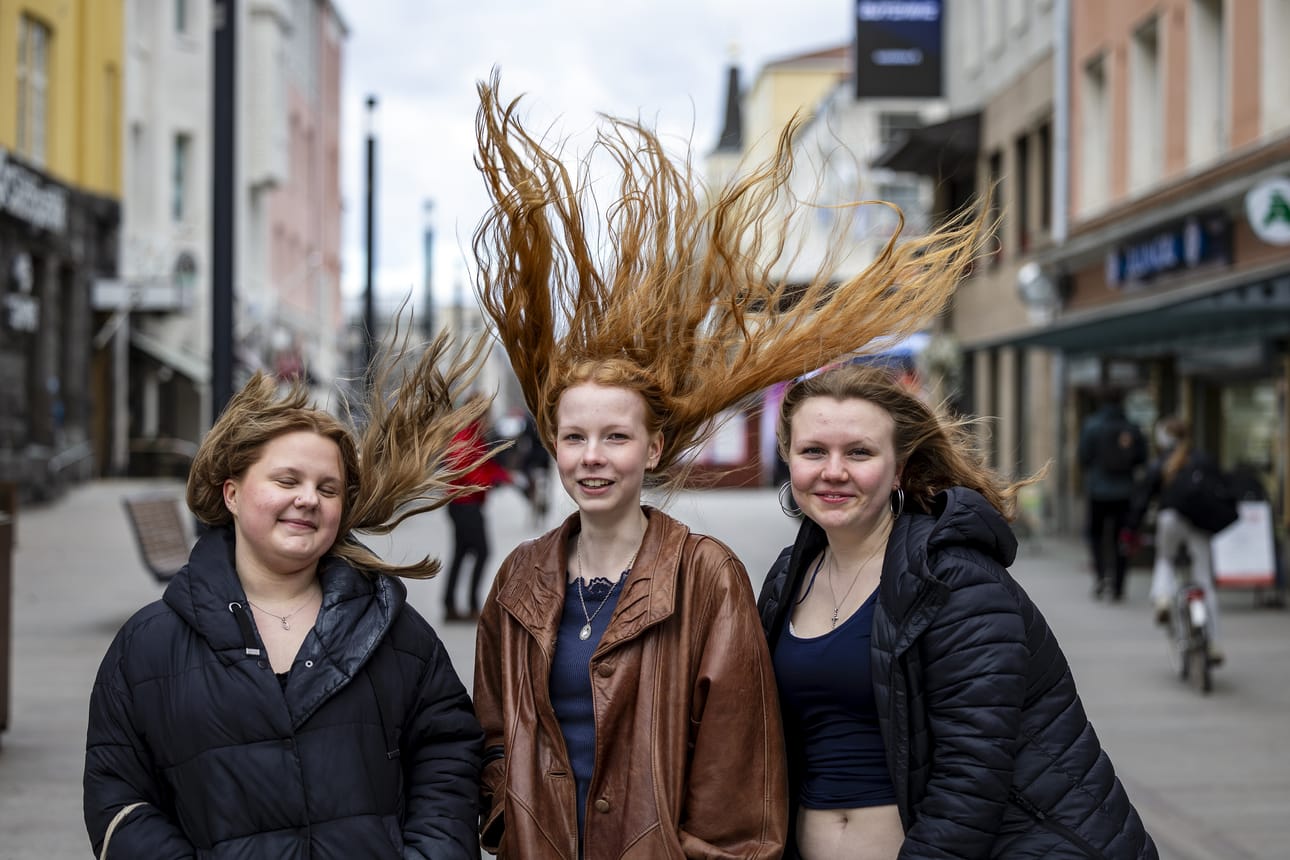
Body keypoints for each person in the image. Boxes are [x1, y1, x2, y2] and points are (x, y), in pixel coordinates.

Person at [469, 72, 990, 858]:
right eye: (574, 438)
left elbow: (738, 773)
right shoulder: (519, 580)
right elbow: (489, 736)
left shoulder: (705, 574)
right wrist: (504, 827)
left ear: (654, 448)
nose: (593, 458)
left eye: (616, 437)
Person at [84, 332, 490, 858]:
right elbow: (119, 795)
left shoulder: (395, 633)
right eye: (286, 480)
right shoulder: (148, 646)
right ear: (232, 493)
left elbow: (449, 757)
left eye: (327, 488)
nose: (307, 500)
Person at [759, 364, 1158, 860]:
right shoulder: (789, 576)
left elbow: (971, 777)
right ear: (788, 459)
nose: (833, 471)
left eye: (859, 452)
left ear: (899, 466)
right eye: (813, 451)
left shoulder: (953, 578)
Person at [1128, 415, 1228, 664]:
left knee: (1166, 559)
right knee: (1204, 579)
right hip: (1199, 523)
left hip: (1170, 519)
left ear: (1163, 437)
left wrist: (1131, 529)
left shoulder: (1161, 462)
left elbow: (1143, 498)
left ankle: (1162, 598)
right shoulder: (1203, 459)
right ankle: (1213, 643)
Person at [1078, 390, 1147, 601]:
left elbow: (1083, 456)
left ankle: (1100, 576)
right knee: (1122, 538)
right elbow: (1141, 458)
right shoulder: (1132, 427)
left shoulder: (1092, 426)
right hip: (1125, 492)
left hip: (1098, 491)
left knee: (1096, 536)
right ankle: (1118, 585)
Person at [443, 414, 511, 622]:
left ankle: (451, 605)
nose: (489, 422)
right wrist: (490, 481)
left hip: (466, 503)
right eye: (486, 416)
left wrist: (505, 477)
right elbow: (464, 468)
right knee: (482, 551)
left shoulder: (474, 435)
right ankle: (469, 605)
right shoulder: (464, 436)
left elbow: (484, 464)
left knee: (462, 553)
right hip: (464, 504)